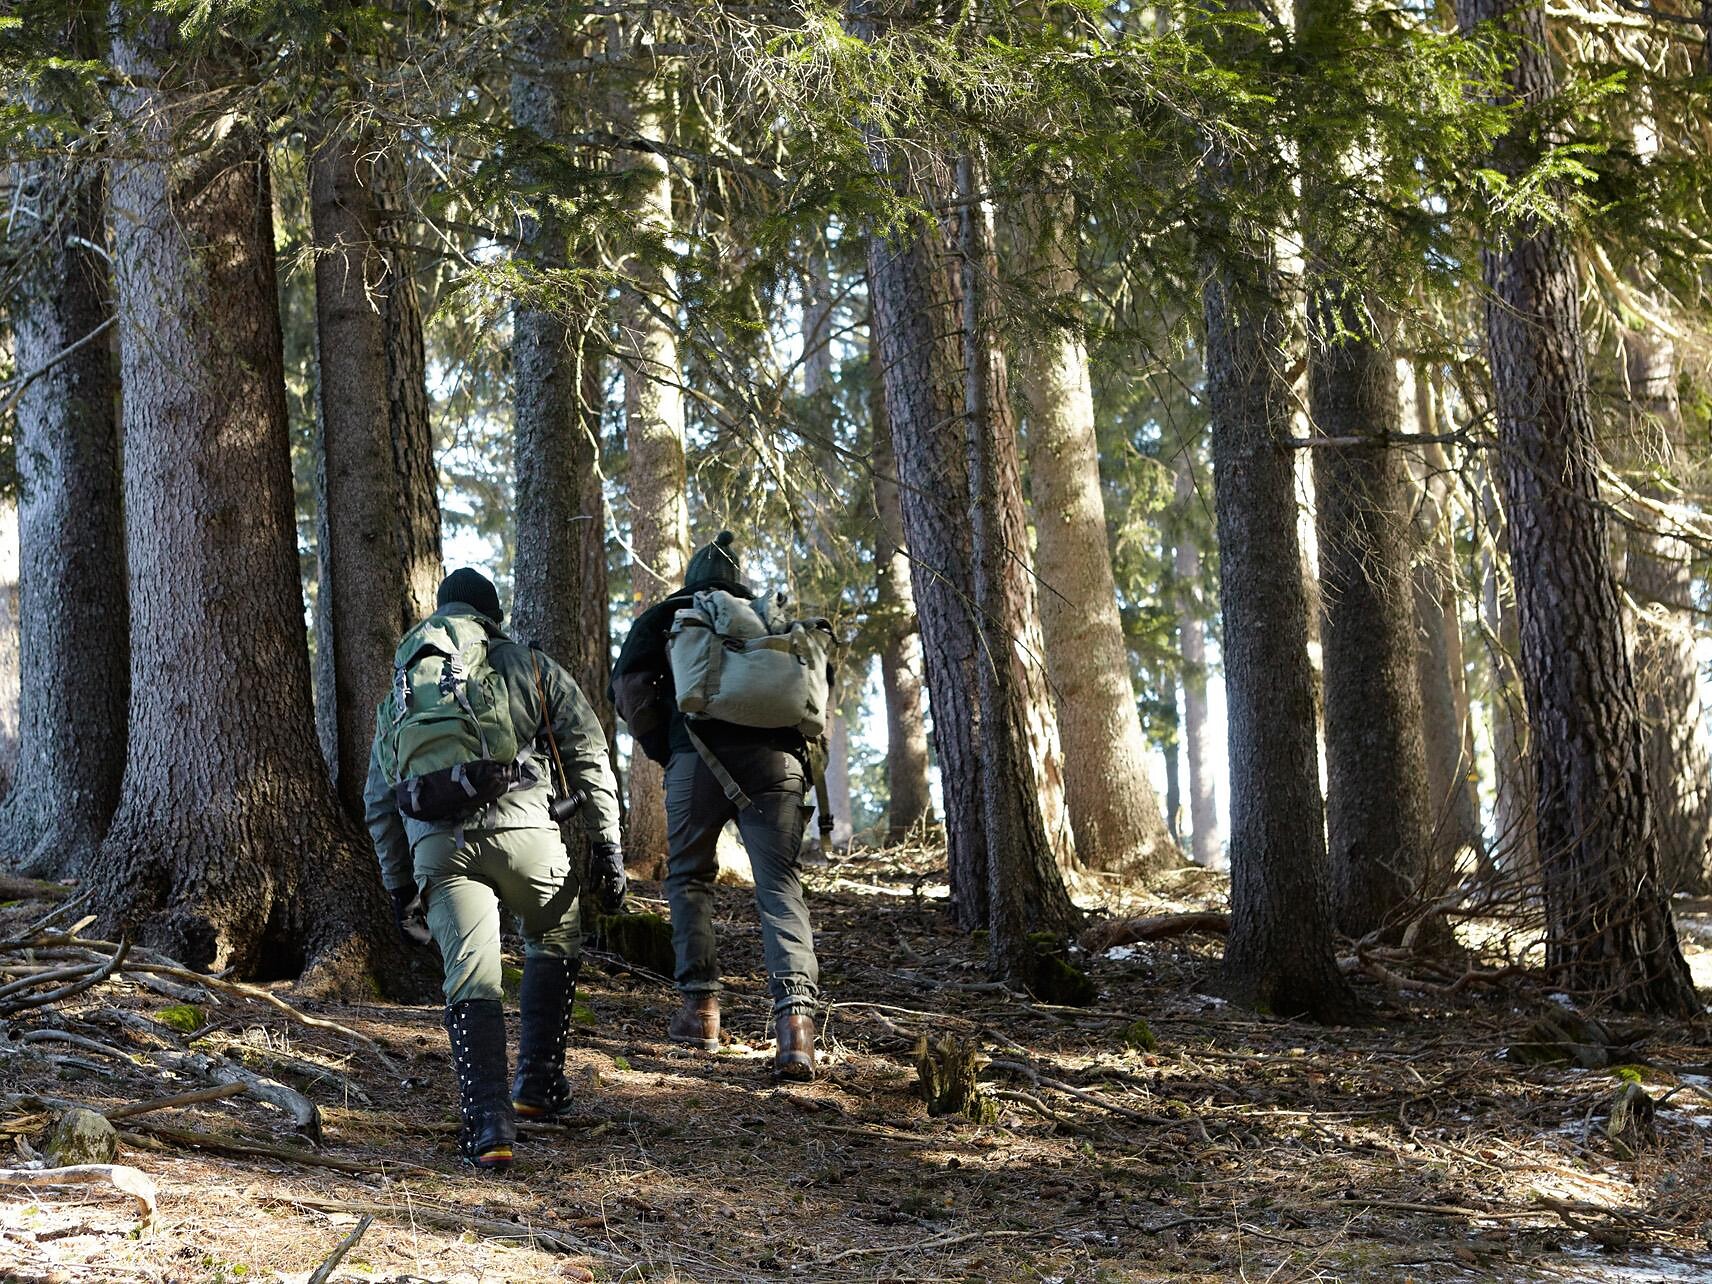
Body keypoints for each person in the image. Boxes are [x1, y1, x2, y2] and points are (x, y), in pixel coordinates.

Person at [365, 568, 628, 1172]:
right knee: (555, 936)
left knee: (470, 973)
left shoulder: (405, 685)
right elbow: (588, 751)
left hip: (440, 848)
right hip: (525, 834)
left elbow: (379, 800)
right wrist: (608, 844)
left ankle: (488, 1126)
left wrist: (399, 886)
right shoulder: (527, 663)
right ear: (492, 616)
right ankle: (537, 1083)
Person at [611, 531, 823, 1080]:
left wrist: (666, 748)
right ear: (737, 581)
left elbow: (630, 689)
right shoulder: (769, 619)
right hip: (778, 764)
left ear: (693, 578)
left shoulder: (668, 614)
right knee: (780, 886)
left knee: (688, 878)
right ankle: (796, 1029)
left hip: (695, 761)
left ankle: (700, 1012)